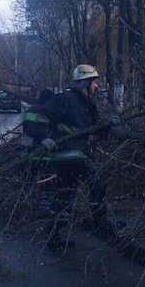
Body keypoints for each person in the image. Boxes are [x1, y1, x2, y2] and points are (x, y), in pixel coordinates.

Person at [38, 64, 117, 246]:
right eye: (94, 82)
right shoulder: (64, 99)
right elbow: (37, 114)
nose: (97, 86)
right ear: (85, 83)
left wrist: (109, 125)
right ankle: (101, 226)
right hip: (68, 154)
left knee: (66, 195)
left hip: (77, 154)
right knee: (96, 185)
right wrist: (42, 137)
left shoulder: (88, 104)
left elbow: (94, 131)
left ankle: (53, 235)